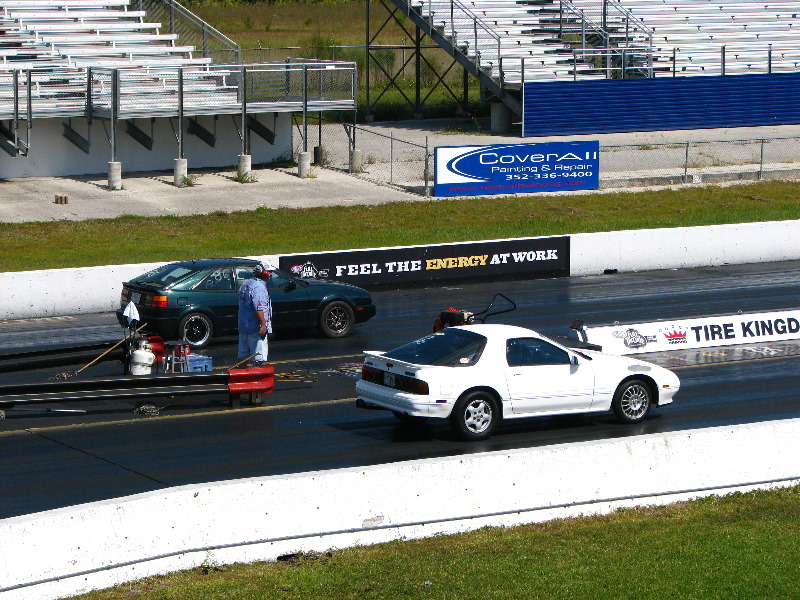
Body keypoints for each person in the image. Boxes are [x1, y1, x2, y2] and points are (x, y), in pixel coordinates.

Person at [237, 261, 274, 364]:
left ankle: (240, 377)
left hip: (244, 325)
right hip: (255, 327)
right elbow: (259, 308)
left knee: (243, 355)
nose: (270, 274)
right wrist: (263, 325)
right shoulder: (259, 288)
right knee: (258, 357)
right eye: (270, 272)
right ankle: (257, 378)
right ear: (265, 273)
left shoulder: (246, 283)